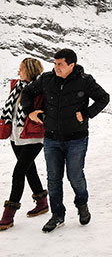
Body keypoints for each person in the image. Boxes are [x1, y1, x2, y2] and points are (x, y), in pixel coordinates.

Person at [21, 48, 110, 233]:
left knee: (75, 176)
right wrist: (30, 111)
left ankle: (82, 204)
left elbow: (103, 98)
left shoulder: (85, 81)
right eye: (54, 63)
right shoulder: (46, 79)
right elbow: (27, 93)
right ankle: (57, 215)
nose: (56, 67)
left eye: (60, 64)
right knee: (53, 179)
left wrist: (86, 114)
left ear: (72, 65)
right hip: (51, 138)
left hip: (76, 139)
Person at [0, 58, 48, 231]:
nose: (18, 72)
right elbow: (10, 110)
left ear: (30, 70)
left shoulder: (41, 88)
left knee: (18, 172)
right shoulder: (16, 86)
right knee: (29, 169)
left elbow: (45, 111)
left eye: (21, 69)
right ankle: (42, 202)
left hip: (34, 137)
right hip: (16, 135)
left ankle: (8, 215)